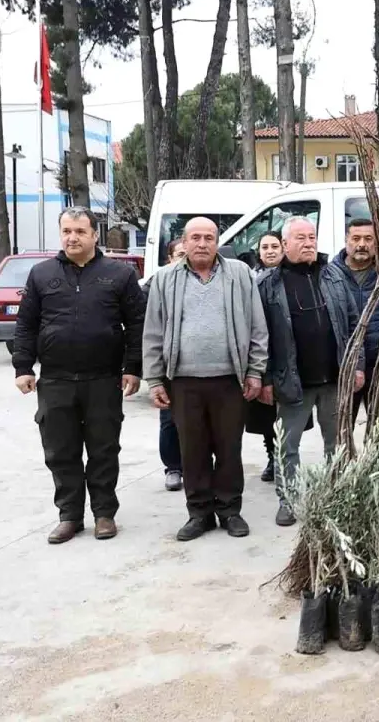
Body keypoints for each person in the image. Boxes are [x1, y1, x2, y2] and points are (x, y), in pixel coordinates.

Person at [13, 207, 146, 544]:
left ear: (94, 235)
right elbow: (26, 324)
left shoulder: (119, 274)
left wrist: (133, 368)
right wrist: (23, 367)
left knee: (103, 450)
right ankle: (69, 516)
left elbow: (137, 324)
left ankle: (104, 514)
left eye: (80, 231)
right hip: (55, 380)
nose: (72, 238)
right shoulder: (41, 274)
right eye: (67, 231)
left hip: (103, 379)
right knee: (60, 451)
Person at [143, 217, 269, 541]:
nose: (202, 243)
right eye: (195, 237)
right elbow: (153, 332)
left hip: (230, 380)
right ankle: (199, 513)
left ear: (217, 242)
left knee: (229, 449)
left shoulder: (240, 274)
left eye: (209, 237)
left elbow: (257, 326)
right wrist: (154, 379)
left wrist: (255, 371)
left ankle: (229, 510)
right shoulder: (165, 278)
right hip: (184, 382)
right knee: (193, 451)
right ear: (184, 242)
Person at [260, 217, 363, 527]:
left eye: (312, 237)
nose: (308, 243)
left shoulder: (334, 275)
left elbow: (354, 323)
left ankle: (336, 496)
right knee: (287, 446)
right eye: (300, 238)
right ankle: (289, 500)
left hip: (334, 378)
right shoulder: (268, 284)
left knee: (336, 443)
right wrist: (265, 378)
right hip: (293, 382)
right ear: (285, 244)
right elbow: (259, 336)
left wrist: (357, 366)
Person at [326, 218, 379, 418]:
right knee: (342, 423)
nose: (362, 244)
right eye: (356, 238)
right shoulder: (330, 275)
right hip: (344, 363)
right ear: (346, 241)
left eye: (368, 239)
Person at [250, 231, 285, 483]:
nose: (270, 251)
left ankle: (287, 458)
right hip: (261, 356)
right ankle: (273, 458)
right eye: (265, 247)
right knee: (266, 416)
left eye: (274, 246)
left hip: (288, 357)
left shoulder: (291, 277)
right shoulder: (251, 280)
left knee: (290, 416)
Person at [158, 238, 186, 492]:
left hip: (198, 367)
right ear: (170, 258)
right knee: (169, 420)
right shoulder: (160, 282)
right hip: (169, 366)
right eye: (179, 254)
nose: (184, 258)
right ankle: (173, 468)